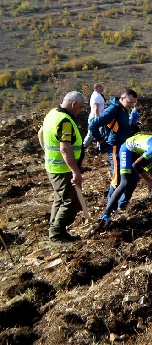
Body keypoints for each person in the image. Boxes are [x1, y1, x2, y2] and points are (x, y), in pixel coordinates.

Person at [98, 135, 152, 223]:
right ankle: (106, 214)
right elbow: (136, 165)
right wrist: (149, 181)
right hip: (127, 150)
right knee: (125, 182)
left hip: (139, 151)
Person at [38, 92, 86, 242]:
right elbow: (65, 149)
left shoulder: (52, 114)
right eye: (80, 107)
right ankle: (56, 234)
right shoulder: (64, 120)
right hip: (63, 169)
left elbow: (40, 133)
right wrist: (75, 172)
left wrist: (47, 152)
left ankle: (57, 231)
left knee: (60, 199)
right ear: (73, 105)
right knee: (72, 202)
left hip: (53, 167)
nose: (80, 110)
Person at [88, 88, 139, 206]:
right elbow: (93, 125)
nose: (132, 105)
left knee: (134, 176)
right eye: (130, 102)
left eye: (133, 103)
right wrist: (100, 141)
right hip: (115, 147)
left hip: (125, 147)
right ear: (122, 98)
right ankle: (111, 208)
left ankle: (122, 204)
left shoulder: (124, 109)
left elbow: (119, 126)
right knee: (118, 179)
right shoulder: (113, 110)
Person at [81, 83, 105, 150]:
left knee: (99, 132)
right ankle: (83, 147)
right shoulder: (96, 96)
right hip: (95, 116)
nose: (103, 89)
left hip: (97, 116)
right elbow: (96, 107)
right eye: (102, 87)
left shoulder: (97, 95)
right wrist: (97, 118)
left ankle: (99, 147)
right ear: (98, 88)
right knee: (91, 133)